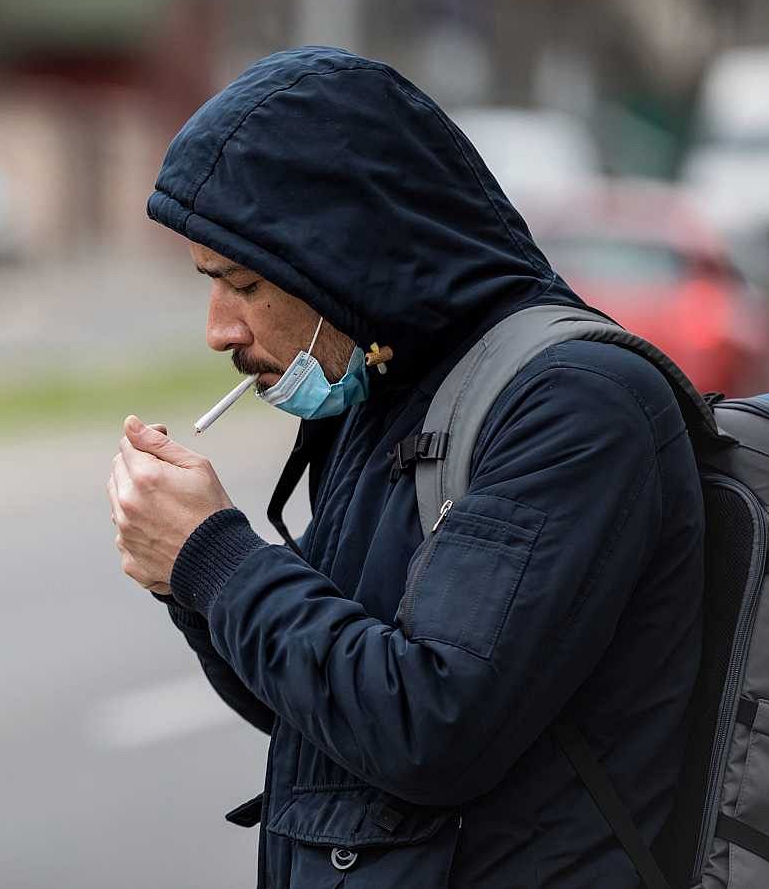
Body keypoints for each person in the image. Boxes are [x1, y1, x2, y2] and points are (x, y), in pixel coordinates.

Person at [107, 47, 703, 887]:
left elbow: (431, 728)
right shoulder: (392, 391)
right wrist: (188, 580)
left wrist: (214, 557)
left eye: (240, 283)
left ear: (340, 251)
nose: (219, 330)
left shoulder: (574, 402)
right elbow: (318, 717)